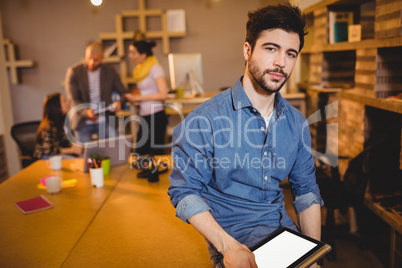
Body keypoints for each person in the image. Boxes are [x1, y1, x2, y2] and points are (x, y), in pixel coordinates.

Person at [168, 4, 323, 268]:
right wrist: (227, 246)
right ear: (247, 50)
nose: (281, 63)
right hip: (232, 243)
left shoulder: (296, 123)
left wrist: (312, 256)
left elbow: (306, 193)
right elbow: (184, 191)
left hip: (284, 236)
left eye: (290, 53)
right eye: (271, 48)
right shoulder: (204, 120)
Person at [65, 42, 127, 143]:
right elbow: (73, 99)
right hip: (82, 122)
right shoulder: (74, 72)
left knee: (113, 152)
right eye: (89, 58)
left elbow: (123, 93)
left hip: (106, 121)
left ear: (103, 58)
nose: (91, 63)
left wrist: (121, 103)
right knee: (84, 155)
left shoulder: (110, 72)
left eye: (96, 60)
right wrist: (86, 112)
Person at [124, 39, 168, 155]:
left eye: (133, 53)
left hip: (156, 116)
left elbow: (163, 94)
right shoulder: (140, 71)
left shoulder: (155, 68)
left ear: (143, 55)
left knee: (155, 155)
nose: (130, 56)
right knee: (141, 153)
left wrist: (137, 98)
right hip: (144, 115)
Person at [33, 93, 82, 160]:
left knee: (82, 159)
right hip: (45, 158)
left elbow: (65, 142)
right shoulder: (49, 126)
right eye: (64, 101)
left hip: (57, 155)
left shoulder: (63, 122)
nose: (67, 103)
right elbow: (49, 151)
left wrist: (74, 146)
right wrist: (72, 150)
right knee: (75, 161)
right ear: (56, 106)